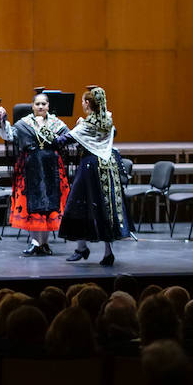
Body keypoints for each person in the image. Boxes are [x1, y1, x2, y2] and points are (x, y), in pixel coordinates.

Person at [56, 86, 130, 266]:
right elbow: (113, 133)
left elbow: (63, 141)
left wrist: (55, 134)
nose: (82, 104)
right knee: (104, 207)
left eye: (83, 101)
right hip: (108, 167)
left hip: (90, 167)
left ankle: (82, 247)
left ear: (87, 103)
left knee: (77, 204)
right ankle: (107, 251)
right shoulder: (107, 120)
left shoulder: (87, 125)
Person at [0, 90, 70, 256]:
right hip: (30, 168)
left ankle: (44, 243)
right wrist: (2, 121)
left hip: (52, 169)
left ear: (48, 106)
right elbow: (9, 135)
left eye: (44, 104)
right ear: (32, 106)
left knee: (50, 205)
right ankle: (36, 242)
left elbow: (69, 138)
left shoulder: (57, 124)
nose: (41, 106)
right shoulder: (24, 124)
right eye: (38, 104)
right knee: (32, 204)